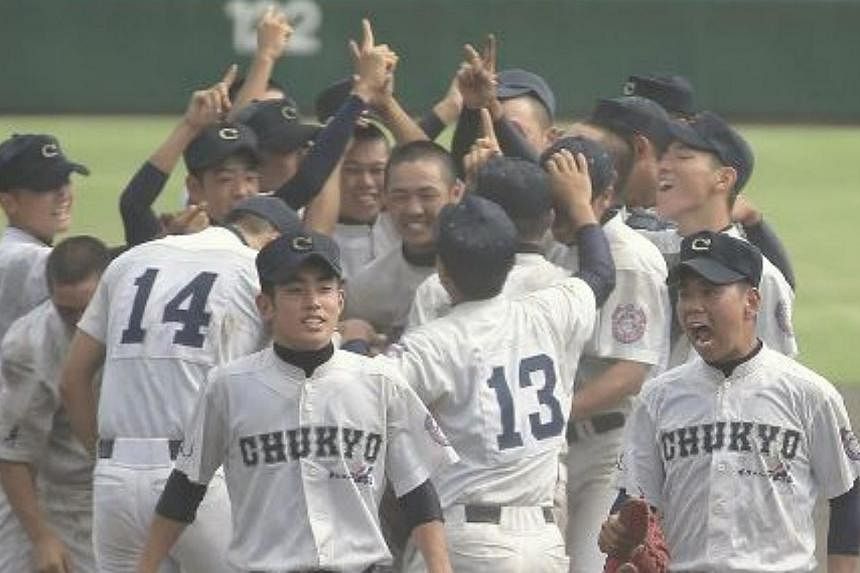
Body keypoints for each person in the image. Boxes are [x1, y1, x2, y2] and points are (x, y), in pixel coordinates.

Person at [136, 229, 457, 573]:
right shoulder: (228, 386)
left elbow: (417, 492)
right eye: (294, 290)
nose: (313, 301)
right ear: (265, 305)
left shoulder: (380, 381)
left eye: (324, 288)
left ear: (341, 300)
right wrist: (147, 567)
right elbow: (185, 488)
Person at [388, 146, 616, 573]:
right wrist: (584, 209)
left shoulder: (434, 342)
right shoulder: (549, 309)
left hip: (467, 541)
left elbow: (367, 401)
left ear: (442, 270)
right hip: (544, 540)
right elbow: (601, 274)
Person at [60, 196, 300, 572]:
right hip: (202, 481)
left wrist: (107, 460)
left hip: (115, 480)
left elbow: (72, 379)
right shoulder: (256, 271)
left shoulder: (129, 261)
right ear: (273, 240)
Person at [601, 231, 860, 573]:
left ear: (751, 301)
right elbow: (635, 497)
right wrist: (617, 530)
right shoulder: (657, 398)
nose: (694, 306)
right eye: (685, 294)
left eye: (710, 292)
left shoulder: (809, 394)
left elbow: (848, 497)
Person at [537, 136, 671, 573]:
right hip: (552, 449)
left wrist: (549, 415)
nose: (557, 212)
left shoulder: (630, 259)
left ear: (606, 196)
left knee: (591, 567)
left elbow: (631, 371)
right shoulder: (556, 242)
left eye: (568, 201)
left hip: (606, 449)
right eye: (551, 200)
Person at [651, 111, 797, 366]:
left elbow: (773, 377)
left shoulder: (760, 276)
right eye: (663, 155)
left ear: (723, 178)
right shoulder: (642, 249)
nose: (663, 165)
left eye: (683, 156)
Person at [0, 236, 110, 573]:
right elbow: (12, 454)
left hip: (121, 490)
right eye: (66, 311)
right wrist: (42, 537)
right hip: (56, 501)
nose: (79, 322)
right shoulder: (29, 347)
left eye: (87, 309)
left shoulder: (142, 325)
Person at [345, 140, 464, 340]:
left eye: (427, 195)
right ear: (384, 197)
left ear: (456, 193)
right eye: (400, 197)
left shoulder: (491, 272)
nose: (413, 209)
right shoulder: (366, 289)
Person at [0, 133, 88, 344]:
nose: (63, 193)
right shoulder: (18, 257)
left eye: (64, 179)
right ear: (9, 202)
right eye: (46, 185)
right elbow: (85, 268)